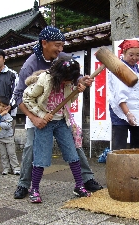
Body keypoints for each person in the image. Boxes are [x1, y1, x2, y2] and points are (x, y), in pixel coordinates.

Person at [13, 26, 102, 199]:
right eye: (58, 45)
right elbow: (20, 97)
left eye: (62, 45)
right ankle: (24, 184)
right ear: (44, 43)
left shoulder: (62, 58)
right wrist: (34, 118)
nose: (61, 49)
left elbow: (74, 78)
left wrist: (81, 81)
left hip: (60, 115)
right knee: (32, 147)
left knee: (74, 147)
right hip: (37, 113)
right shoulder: (30, 65)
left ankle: (86, 179)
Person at [23, 56, 91, 203]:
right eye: (67, 80)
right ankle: (34, 189)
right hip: (45, 123)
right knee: (41, 157)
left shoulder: (69, 82)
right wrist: (41, 115)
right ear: (60, 76)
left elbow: (68, 100)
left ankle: (79, 185)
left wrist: (77, 90)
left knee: (72, 153)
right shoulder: (44, 80)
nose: (68, 83)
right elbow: (27, 97)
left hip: (61, 121)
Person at [108, 39, 139, 150]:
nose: (134, 58)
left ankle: (137, 166)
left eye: (137, 55)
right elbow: (119, 95)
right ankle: (118, 167)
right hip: (120, 110)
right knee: (120, 145)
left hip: (136, 110)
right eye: (131, 54)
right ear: (123, 53)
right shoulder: (117, 69)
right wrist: (127, 113)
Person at [0, 96, 20, 175]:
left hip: (8, 138)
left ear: (7, 107)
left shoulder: (8, 116)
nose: (1, 107)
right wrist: (1, 115)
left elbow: (7, 125)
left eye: (4, 106)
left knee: (11, 153)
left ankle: (16, 168)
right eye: (0, 105)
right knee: (3, 154)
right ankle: (6, 168)